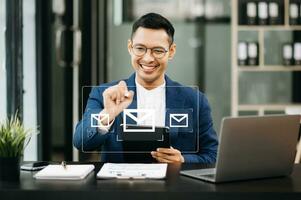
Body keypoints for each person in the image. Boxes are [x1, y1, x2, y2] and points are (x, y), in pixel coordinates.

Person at [73, 13, 218, 163]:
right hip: (120, 184)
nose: (148, 58)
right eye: (140, 48)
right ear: (130, 47)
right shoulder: (104, 93)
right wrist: (107, 115)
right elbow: (81, 142)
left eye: (158, 50)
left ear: (171, 51)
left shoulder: (194, 100)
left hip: (174, 184)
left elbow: (212, 156)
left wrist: (183, 160)